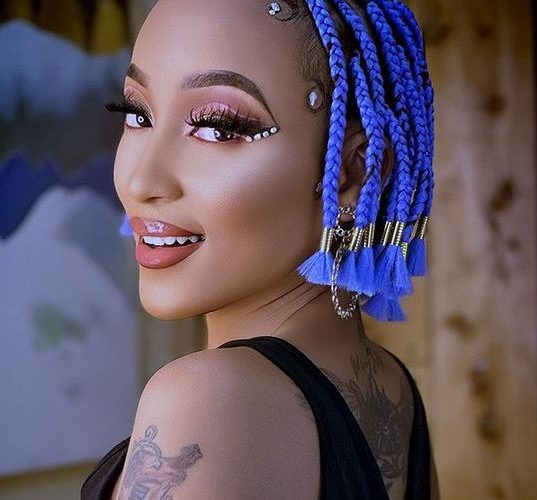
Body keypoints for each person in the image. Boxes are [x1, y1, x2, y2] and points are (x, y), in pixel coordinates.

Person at [81, 0, 439, 498]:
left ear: (355, 171)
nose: (142, 181)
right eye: (138, 114)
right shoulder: (394, 390)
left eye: (217, 127)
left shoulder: (206, 400)